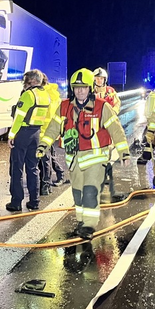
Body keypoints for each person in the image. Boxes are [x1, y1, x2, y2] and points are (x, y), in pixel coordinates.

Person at [38, 68, 130, 239]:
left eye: (84, 87)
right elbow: (52, 128)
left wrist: (124, 153)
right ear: (73, 89)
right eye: (76, 87)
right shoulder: (64, 107)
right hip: (73, 159)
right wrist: (43, 145)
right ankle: (81, 220)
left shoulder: (102, 106)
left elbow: (116, 130)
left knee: (90, 191)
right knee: (78, 192)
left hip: (96, 158)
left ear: (90, 88)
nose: (80, 91)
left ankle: (88, 225)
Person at [6, 69, 52, 212]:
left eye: (25, 81)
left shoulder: (28, 95)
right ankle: (34, 201)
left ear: (31, 81)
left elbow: (19, 117)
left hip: (23, 134)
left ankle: (16, 202)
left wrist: (11, 135)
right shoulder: (46, 95)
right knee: (33, 168)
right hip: (36, 134)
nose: (24, 84)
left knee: (17, 168)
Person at [37, 73, 66, 194]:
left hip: (44, 131)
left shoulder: (44, 95)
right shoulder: (54, 95)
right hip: (51, 131)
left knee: (44, 159)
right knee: (48, 157)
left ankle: (45, 186)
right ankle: (60, 174)